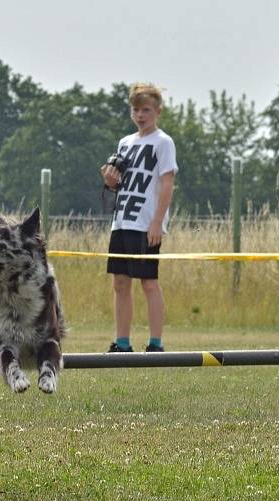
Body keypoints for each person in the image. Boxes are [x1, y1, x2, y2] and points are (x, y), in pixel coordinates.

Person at [100, 83, 178, 353]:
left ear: (157, 111)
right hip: (121, 221)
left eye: (146, 110)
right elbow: (118, 182)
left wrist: (157, 221)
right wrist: (110, 180)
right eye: (136, 109)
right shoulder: (125, 142)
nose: (140, 115)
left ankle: (155, 343)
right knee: (120, 282)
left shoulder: (163, 142)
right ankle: (122, 342)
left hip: (145, 223)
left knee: (148, 281)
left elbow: (167, 182)